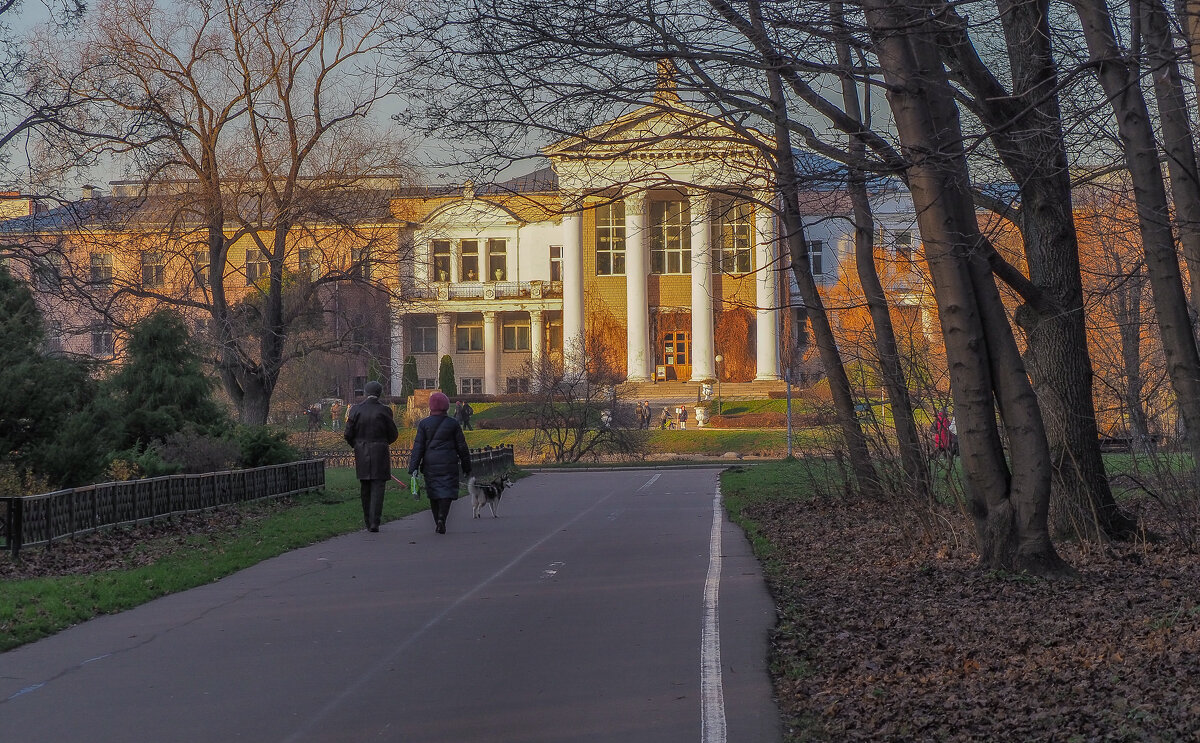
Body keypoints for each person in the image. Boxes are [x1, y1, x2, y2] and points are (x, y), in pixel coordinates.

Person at [409, 391, 472, 534]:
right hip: (449, 462)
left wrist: (413, 467)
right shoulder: (453, 424)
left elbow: (418, 447)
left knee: (434, 492)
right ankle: (442, 518)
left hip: (430, 464)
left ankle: (437, 518)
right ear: (446, 406)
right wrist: (466, 466)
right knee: (447, 492)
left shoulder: (424, 424)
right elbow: (462, 446)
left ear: (431, 407)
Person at [343, 381, 398, 532]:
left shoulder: (356, 410)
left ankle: (368, 520)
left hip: (361, 451)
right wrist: (383, 441)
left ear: (366, 393)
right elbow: (393, 434)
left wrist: (356, 444)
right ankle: (375, 521)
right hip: (380, 451)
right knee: (378, 487)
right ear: (379, 393)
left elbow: (347, 433)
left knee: (365, 486)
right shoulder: (384, 411)